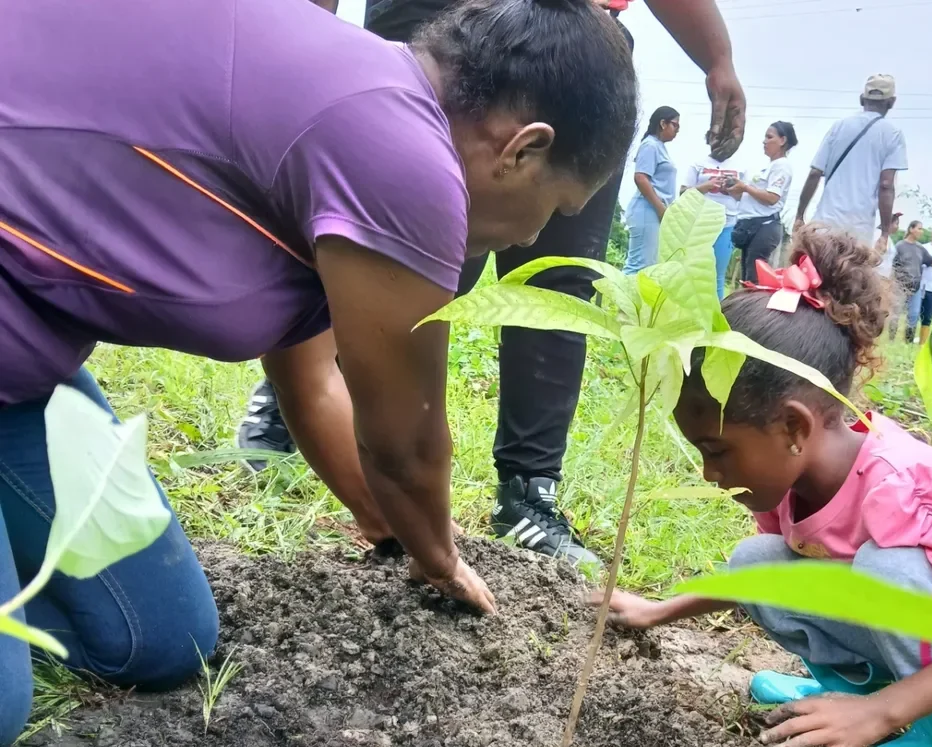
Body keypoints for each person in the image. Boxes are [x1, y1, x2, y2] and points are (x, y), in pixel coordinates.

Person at [0, 0, 640, 740]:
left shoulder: (349, 116)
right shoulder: (402, 152)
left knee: (159, 635)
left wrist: (392, 532)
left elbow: (312, 383)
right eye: (554, 208)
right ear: (523, 149)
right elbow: (406, 445)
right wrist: (441, 554)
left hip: (22, 378)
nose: (532, 235)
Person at [239, 0, 749, 568]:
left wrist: (716, 56)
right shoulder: (376, 105)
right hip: (442, 27)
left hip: (576, 48)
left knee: (556, 289)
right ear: (519, 149)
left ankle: (530, 489)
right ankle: (318, 395)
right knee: (394, 267)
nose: (530, 240)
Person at [596, 225, 932, 747]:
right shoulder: (794, 483)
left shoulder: (903, 486)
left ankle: (923, 727)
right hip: (930, 642)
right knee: (759, 564)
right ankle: (848, 703)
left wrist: (885, 714)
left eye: (716, 450)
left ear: (794, 428)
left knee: (888, 570)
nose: (709, 472)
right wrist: (658, 611)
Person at [794, 74, 907, 257]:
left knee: (816, 278)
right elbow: (886, 185)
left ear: (862, 99)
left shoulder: (840, 126)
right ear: (892, 102)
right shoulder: (893, 134)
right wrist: (885, 233)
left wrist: (800, 215)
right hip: (859, 229)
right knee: (848, 282)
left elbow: (815, 173)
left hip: (825, 222)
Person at [727, 122, 798, 283]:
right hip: (750, 225)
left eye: (769, 137)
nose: (764, 141)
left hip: (764, 226)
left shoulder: (782, 166)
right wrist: (735, 190)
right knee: (747, 277)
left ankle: (755, 308)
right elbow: (753, 198)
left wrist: (745, 187)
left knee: (754, 277)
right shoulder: (769, 167)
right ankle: (746, 307)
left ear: (782, 140)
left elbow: (772, 197)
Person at [681, 133, 742, 297]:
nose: (720, 142)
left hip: (726, 225)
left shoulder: (740, 166)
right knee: (692, 273)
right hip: (699, 225)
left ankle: (714, 317)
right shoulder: (698, 164)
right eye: (716, 137)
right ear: (709, 139)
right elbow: (682, 192)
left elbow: (745, 198)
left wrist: (730, 189)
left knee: (717, 275)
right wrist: (706, 186)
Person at [624, 106, 681, 275]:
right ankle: (616, 301)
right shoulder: (650, 145)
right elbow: (641, 178)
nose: (678, 130)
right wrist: (660, 208)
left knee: (647, 265)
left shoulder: (659, 146)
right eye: (675, 125)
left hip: (653, 211)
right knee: (638, 265)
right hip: (647, 209)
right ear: (663, 123)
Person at [891, 221, 932, 343]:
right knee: (895, 314)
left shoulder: (920, 248)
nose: (921, 231)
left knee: (914, 315)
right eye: (919, 229)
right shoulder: (900, 246)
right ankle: (891, 339)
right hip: (900, 285)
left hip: (916, 287)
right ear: (911, 229)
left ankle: (908, 342)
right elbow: (892, 264)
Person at [875, 211, 902, 280]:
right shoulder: (877, 235)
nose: (898, 227)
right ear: (889, 223)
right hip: (876, 274)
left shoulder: (888, 239)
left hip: (884, 276)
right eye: (896, 224)